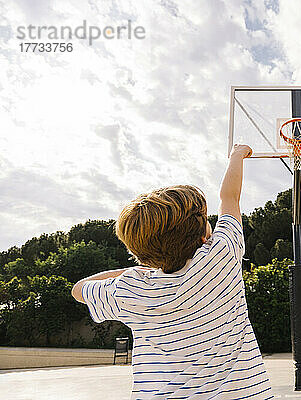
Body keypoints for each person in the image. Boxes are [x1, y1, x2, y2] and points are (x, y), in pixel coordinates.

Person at [72, 144, 274, 400]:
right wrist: (237, 154)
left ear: (142, 254)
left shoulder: (131, 289)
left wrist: (133, 271)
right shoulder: (222, 256)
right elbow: (230, 198)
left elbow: (78, 289)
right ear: (204, 234)